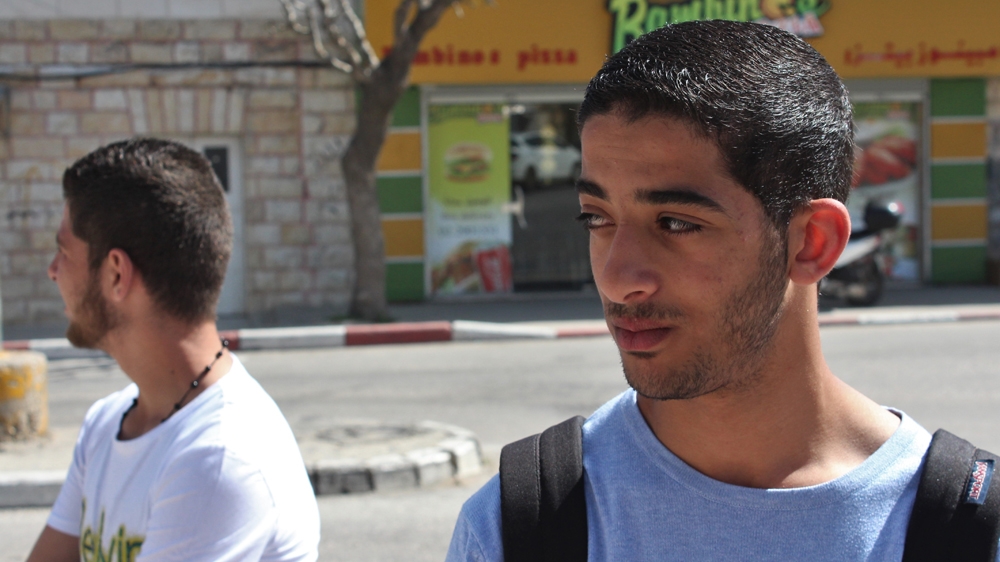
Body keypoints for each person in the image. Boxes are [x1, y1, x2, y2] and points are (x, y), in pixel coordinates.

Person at [446, 20, 997, 560]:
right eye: (597, 218)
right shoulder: (524, 524)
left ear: (811, 244)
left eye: (677, 223)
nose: (618, 278)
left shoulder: (967, 528)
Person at [28, 139, 320, 561]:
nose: (52, 271)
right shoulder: (107, 423)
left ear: (115, 274)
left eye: (63, 251)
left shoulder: (220, 460)